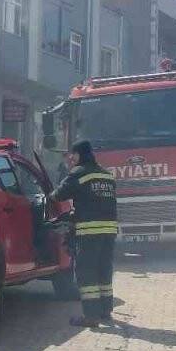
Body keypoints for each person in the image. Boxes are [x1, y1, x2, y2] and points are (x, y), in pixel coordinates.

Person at [50, 140, 118, 328]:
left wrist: (58, 184)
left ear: (80, 155)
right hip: (109, 230)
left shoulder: (79, 173)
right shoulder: (107, 175)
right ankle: (105, 311)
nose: (71, 158)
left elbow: (59, 195)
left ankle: (91, 317)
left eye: (73, 154)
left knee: (86, 272)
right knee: (104, 270)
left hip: (89, 230)